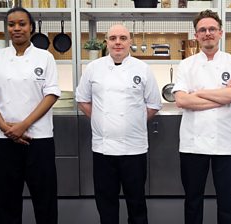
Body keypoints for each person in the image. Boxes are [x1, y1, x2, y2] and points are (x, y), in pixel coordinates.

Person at [0, 7, 60, 224]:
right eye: (12, 24)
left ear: (31, 27)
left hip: (38, 138)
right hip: (3, 139)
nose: (16, 28)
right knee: (5, 199)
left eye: (22, 23)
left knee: (45, 198)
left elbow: (51, 95)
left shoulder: (45, 57)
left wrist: (23, 125)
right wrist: (6, 128)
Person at [75, 24, 162, 224]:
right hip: (103, 148)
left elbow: (153, 104)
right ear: (106, 42)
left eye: (123, 38)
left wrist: (134, 121)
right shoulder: (93, 68)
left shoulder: (143, 69)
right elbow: (82, 100)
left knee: (137, 201)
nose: (118, 42)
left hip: (134, 148)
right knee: (106, 202)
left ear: (130, 42)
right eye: (113, 38)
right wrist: (101, 119)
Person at [172, 9, 231, 224]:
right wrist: (222, 97)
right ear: (196, 35)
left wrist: (199, 93)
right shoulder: (186, 64)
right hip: (193, 144)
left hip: (226, 143)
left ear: (220, 33)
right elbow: (182, 101)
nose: (207, 33)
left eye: (212, 29)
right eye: (202, 30)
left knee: (227, 201)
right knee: (193, 200)